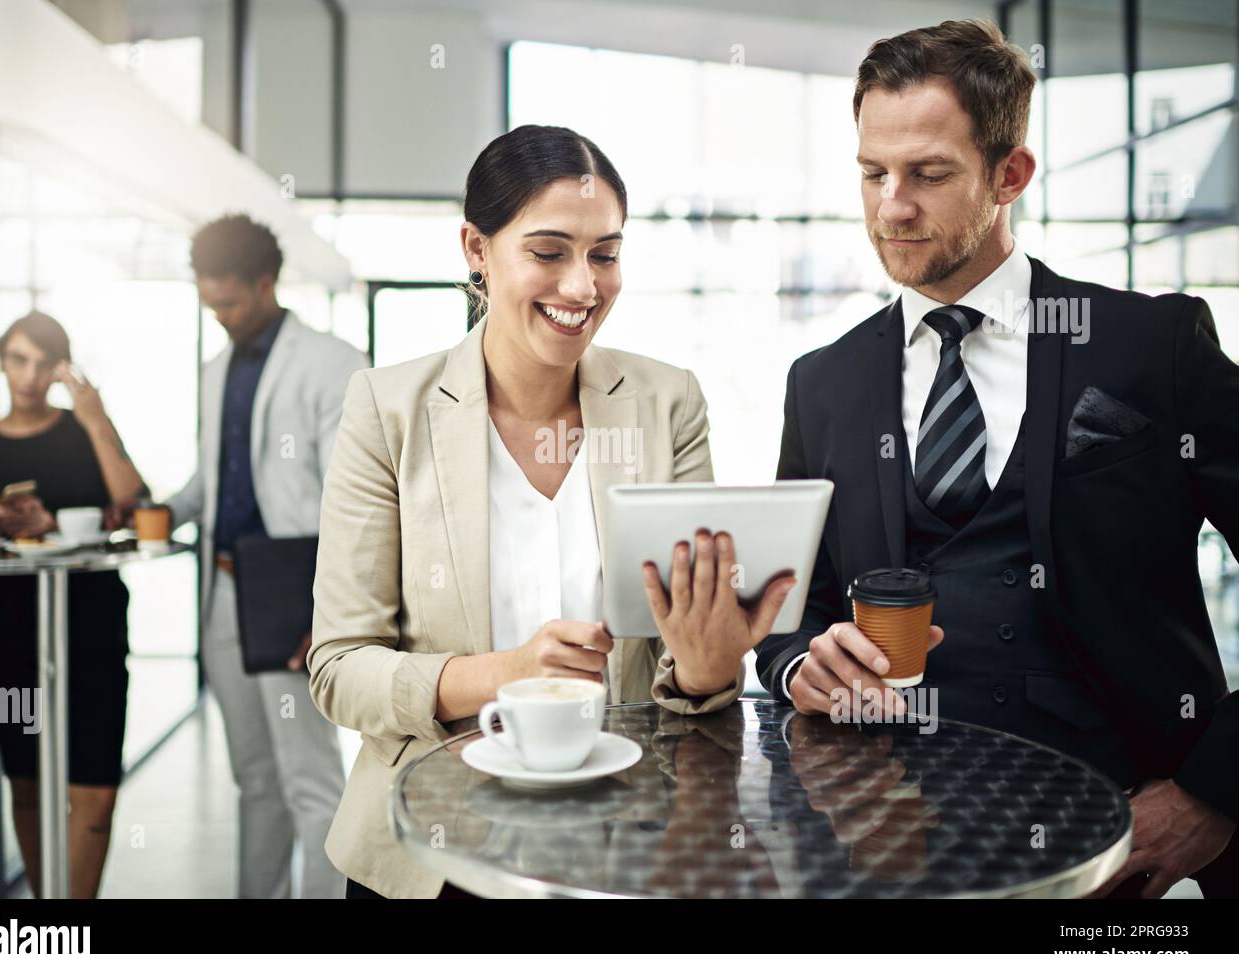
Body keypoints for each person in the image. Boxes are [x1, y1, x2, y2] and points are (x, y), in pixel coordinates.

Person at [756, 19, 1239, 898]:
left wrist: (1216, 790)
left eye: (928, 174)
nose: (891, 206)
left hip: (1129, 855)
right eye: (873, 173)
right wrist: (801, 663)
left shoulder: (1150, 346)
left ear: (1010, 173)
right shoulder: (820, 382)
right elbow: (791, 609)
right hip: (887, 851)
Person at [308, 124, 797, 899]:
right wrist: (507, 673)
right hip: (434, 851)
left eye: (605, 254)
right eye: (548, 252)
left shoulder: (668, 403)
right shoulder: (388, 409)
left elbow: (690, 680)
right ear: (476, 248)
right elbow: (340, 669)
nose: (582, 287)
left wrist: (708, 665)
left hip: (624, 847)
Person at [165, 214, 367, 899]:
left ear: (266, 283)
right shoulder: (215, 368)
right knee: (254, 777)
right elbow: (211, 479)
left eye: (229, 301)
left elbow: (358, 500)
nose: (218, 315)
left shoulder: (332, 362)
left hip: (292, 597)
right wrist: (162, 510)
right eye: (208, 300)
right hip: (223, 594)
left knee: (310, 778)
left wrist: (333, 612)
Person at [0, 310, 148, 898]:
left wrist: (96, 418)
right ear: (2, 360)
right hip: (3, 634)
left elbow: (132, 503)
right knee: (27, 783)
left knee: (95, 788)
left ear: (61, 369)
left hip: (91, 627)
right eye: (17, 360)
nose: (28, 377)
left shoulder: (82, 430)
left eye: (42, 363)